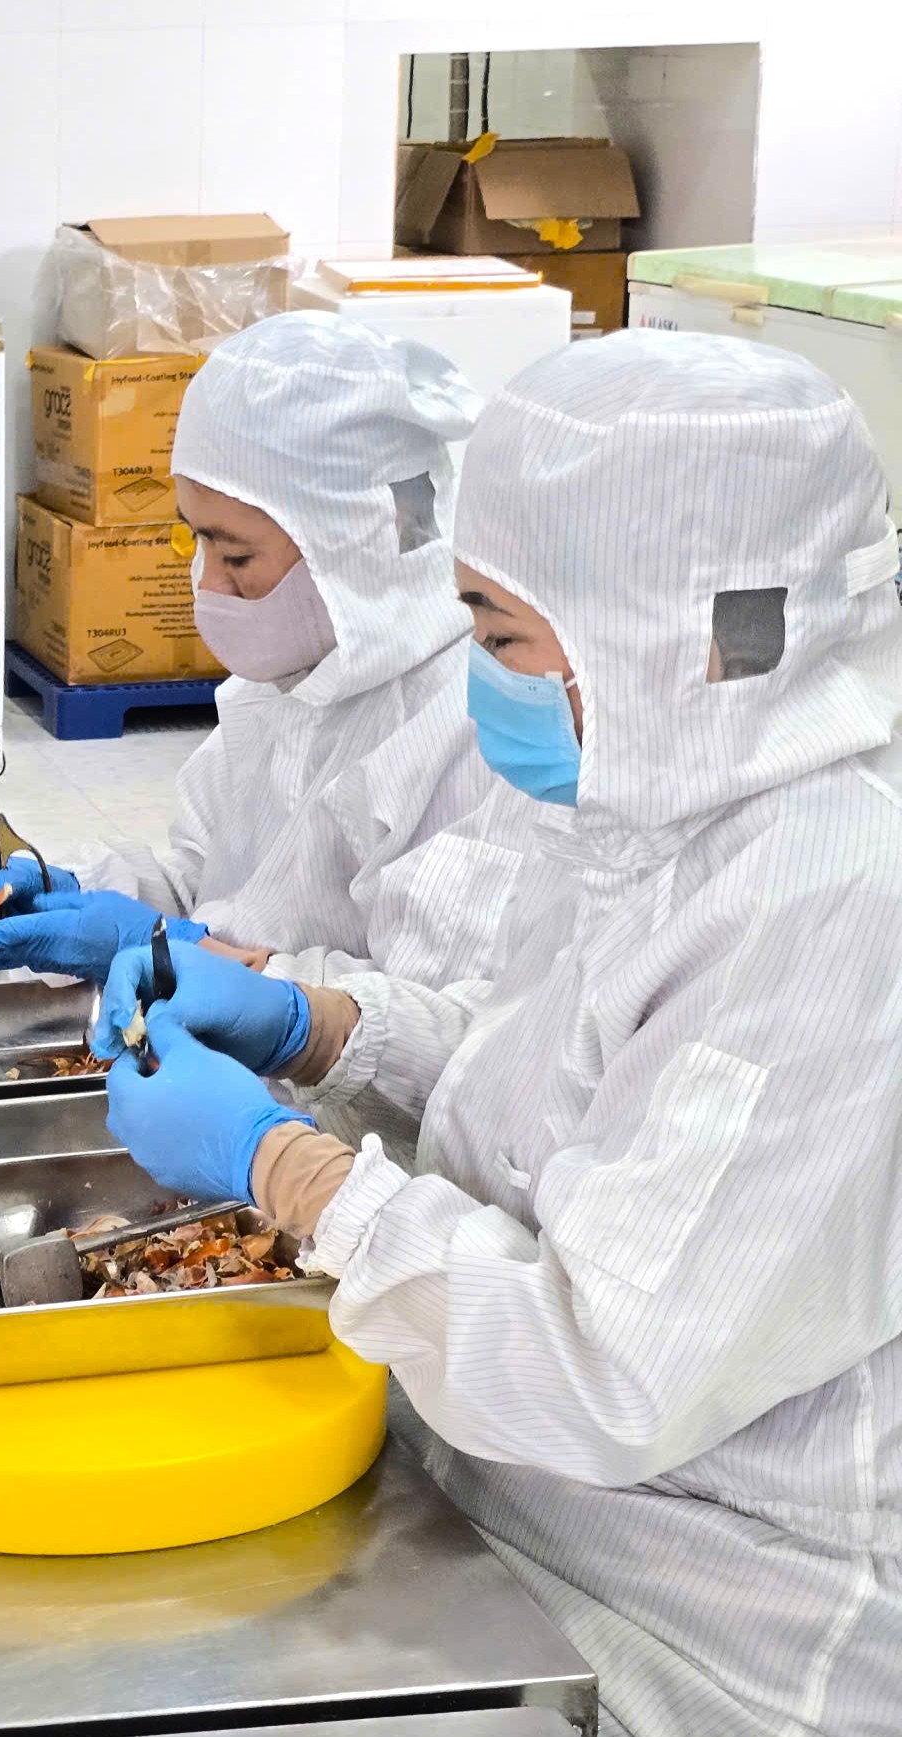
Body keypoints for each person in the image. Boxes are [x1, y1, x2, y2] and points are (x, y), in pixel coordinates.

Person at [88, 331, 902, 1736]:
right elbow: (547, 1068)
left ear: (672, 637)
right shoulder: (666, 811)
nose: (477, 679)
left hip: (696, 1626)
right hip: (508, 1493)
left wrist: (290, 1171)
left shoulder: (830, 910)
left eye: (501, 635)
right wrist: (317, 1024)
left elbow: (601, 1374)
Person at [0, 312, 520, 992]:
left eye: (237, 555)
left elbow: (436, 1019)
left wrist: (211, 971)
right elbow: (211, 891)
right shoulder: (285, 684)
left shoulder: (471, 729)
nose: (209, 585)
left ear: (357, 541)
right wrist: (75, 892)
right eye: (198, 540)